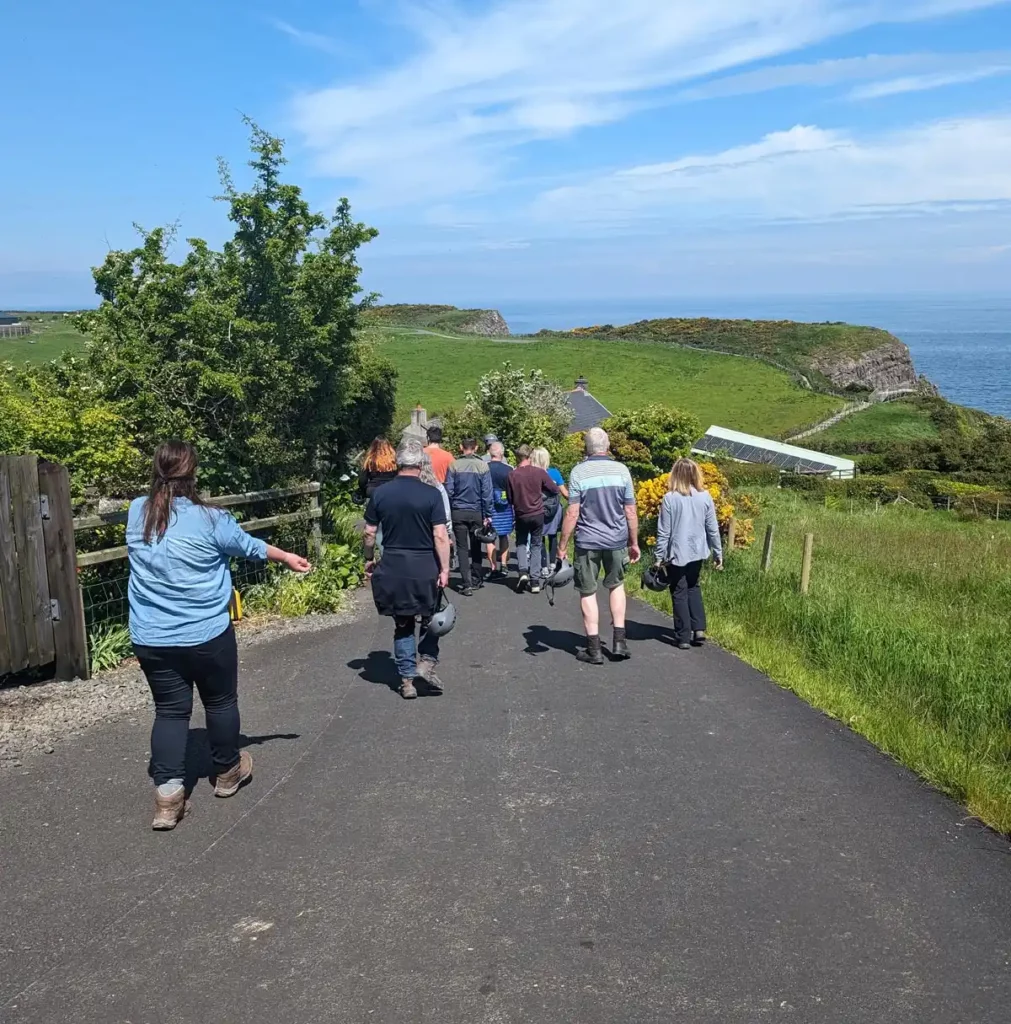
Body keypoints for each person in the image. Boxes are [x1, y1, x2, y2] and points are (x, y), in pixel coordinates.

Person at [127, 441, 311, 831]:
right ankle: (227, 772)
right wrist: (286, 557)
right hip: (206, 632)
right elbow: (247, 547)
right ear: (194, 475)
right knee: (220, 701)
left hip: (153, 636)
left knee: (170, 711)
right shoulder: (211, 518)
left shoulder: (138, 512)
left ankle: (167, 797)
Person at [364, 440, 452, 700]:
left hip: (393, 565)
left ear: (398, 463)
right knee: (431, 619)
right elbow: (439, 535)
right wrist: (445, 568)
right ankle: (426, 661)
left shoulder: (381, 494)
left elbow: (369, 533)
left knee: (402, 623)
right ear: (420, 464)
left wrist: (369, 558)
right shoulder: (432, 494)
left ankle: (406, 680)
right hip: (425, 565)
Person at [558, 427, 640, 664]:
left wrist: (563, 544)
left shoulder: (578, 473)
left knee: (587, 591)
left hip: (587, 541)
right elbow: (630, 511)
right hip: (616, 540)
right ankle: (619, 642)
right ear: (608, 445)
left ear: (587, 447)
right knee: (616, 586)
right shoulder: (622, 471)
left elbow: (572, 513)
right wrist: (633, 542)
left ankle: (593, 648)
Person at [654, 458, 724, 650]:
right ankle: (699, 629)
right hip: (698, 550)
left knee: (679, 590)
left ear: (675, 475)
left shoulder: (670, 498)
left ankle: (683, 636)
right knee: (693, 586)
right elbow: (712, 529)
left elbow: (664, 532)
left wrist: (658, 557)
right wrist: (718, 552)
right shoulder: (705, 496)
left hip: (677, 553)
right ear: (696, 474)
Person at [506, 444, 559, 594]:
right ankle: (535, 581)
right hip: (537, 513)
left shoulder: (512, 475)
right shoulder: (539, 472)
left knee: (521, 543)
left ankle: (523, 572)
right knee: (536, 544)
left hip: (521, 513)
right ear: (530, 457)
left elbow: (509, 498)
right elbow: (554, 490)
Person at [444, 437, 494, 596]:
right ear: (476, 448)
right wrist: (488, 514)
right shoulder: (482, 466)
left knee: (462, 548)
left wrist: (450, 510)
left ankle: (466, 584)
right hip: (476, 511)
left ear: (461, 447)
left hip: (458, 510)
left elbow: (449, 491)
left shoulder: (453, 465)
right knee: (476, 546)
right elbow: (487, 493)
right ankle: (477, 578)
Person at [530, 446, 568, 572]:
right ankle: (553, 563)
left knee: (538, 537)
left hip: (537, 509)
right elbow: (565, 494)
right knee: (553, 536)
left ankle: (543, 566)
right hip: (554, 509)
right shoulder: (554, 473)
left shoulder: (531, 474)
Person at [486, 441, 514, 577]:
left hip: (489, 505)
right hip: (506, 505)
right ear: (501, 453)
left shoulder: (484, 468)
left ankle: (493, 567)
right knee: (504, 535)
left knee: (490, 536)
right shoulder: (509, 469)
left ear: (490, 453)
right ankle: (504, 565)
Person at [420, 453, 452, 531]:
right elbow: (446, 512)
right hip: (434, 528)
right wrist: (448, 532)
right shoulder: (437, 486)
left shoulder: (410, 486)